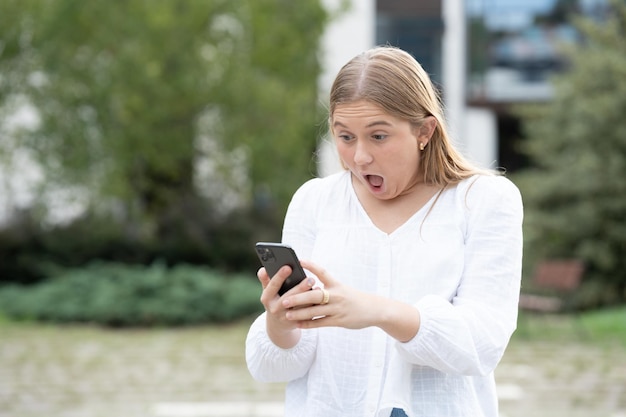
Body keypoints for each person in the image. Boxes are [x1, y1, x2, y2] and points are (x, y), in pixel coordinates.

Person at [245, 46, 523, 417]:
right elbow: (278, 367)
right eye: (345, 137)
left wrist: (376, 311)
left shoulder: (484, 200)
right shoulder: (314, 202)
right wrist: (280, 324)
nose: (360, 157)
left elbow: (482, 343)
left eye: (378, 137)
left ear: (424, 131)